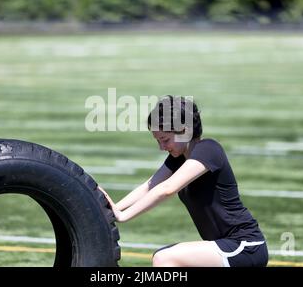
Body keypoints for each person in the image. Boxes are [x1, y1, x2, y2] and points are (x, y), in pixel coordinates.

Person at [99, 95, 268, 267]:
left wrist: (124, 216)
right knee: (164, 256)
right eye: (158, 141)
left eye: (165, 140)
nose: (161, 147)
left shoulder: (208, 149)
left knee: (164, 258)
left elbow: (167, 188)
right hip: (223, 246)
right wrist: (113, 209)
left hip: (244, 246)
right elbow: (150, 186)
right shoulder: (179, 158)